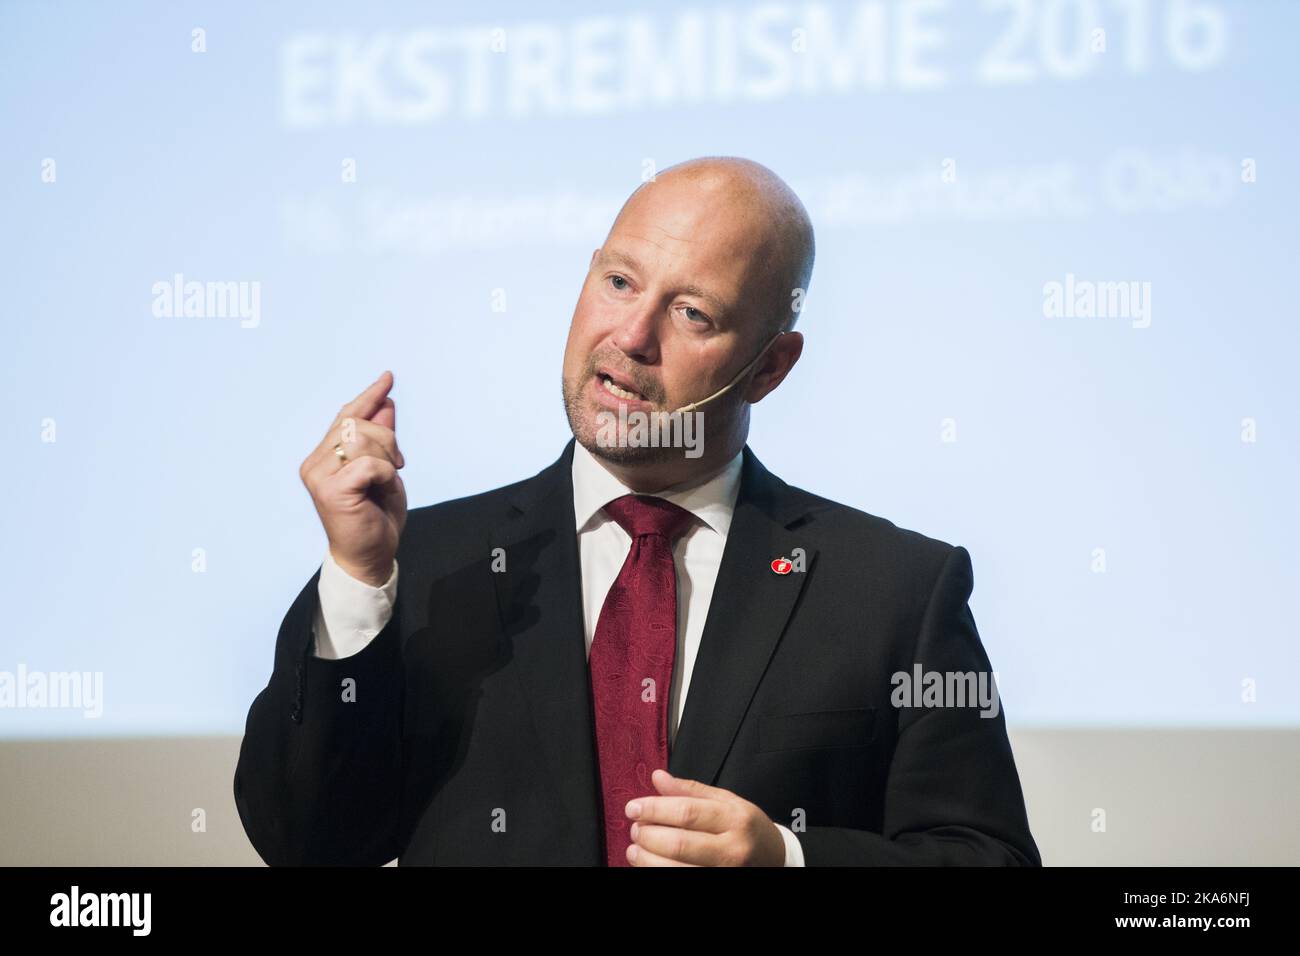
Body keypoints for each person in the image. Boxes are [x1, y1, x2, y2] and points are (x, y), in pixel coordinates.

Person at [233, 156, 1040, 866]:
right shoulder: (421, 564)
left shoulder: (896, 591)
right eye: (618, 282)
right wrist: (357, 578)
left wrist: (789, 861)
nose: (631, 334)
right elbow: (308, 843)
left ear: (770, 368)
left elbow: (987, 857)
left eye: (694, 313)